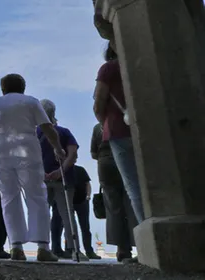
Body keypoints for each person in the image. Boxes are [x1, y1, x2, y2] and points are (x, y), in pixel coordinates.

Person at [0, 73, 65, 262]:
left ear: (3, 89)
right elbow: (47, 127)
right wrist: (58, 148)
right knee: (36, 195)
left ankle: (16, 247)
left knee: (8, 197)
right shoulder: (31, 102)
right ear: (23, 88)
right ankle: (43, 247)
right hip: (26, 148)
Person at [93, 42, 144, 225]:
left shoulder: (109, 69)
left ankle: (148, 233)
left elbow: (99, 103)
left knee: (134, 188)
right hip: (150, 128)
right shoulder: (144, 62)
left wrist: (103, 123)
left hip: (119, 130)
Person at [37, 99, 83, 261]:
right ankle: (75, 250)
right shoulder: (64, 132)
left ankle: (43, 248)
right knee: (67, 214)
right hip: (64, 178)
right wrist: (60, 170)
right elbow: (73, 155)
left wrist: (42, 172)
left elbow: (28, 156)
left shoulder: (35, 133)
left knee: (42, 213)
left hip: (41, 179)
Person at [91, 122, 137, 262]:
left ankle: (122, 249)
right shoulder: (127, 122)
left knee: (113, 207)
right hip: (126, 158)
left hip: (105, 164)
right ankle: (141, 243)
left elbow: (93, 153)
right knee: (132, 203)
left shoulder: (97, 128)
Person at [50, 165, 101, 259]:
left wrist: (88, 196)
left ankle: (89, 251)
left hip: (81, 201)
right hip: (66, 201)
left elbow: (87, 184)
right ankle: (66, 249)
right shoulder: (60, 170)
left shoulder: (80, 169)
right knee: (64, 225)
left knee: (85, 226)